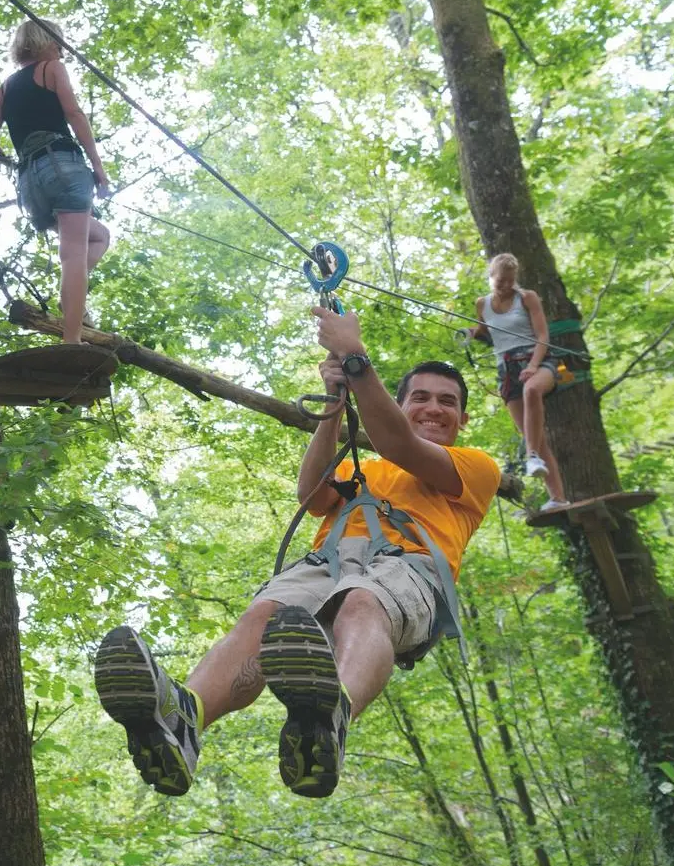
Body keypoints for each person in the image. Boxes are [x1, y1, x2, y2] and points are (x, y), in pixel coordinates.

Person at [93, 304, 500, 798]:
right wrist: (334, 402)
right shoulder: (364, 467)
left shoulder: (475, 467)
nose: (434, 408)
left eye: (447, 401)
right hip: (326, 561)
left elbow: (397, 442)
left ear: (463, 418)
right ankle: (186, 719)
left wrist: (355, 355)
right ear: (400, 403)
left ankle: (332, 717)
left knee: (363, 601)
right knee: (264, 615)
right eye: (420, 398)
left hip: (405, 567)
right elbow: (312, 495)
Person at [0, 19, 111, 344]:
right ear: (45, 42)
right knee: (73, 255)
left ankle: (71, 295)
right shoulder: (51, 68)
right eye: (58, 42)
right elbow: (74, 114)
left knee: (99, 237)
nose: (62, 50)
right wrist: (98, 167)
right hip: (62, 165)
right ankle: (72, 340)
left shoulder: (3, 89)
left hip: (30, 185)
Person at [471, 253, 568, 511]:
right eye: (501, 281)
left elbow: (543, 335)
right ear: (491, 277)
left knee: (532, 389)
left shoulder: (526, 298)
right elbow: (485, 332)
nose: (506, 286)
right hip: (507, 369)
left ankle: (531, 457)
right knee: (532, 434)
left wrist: (534, 365)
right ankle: (558, 498)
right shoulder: (482, 304)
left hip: (539, 360)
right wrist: (471, 334)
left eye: (510, 281)